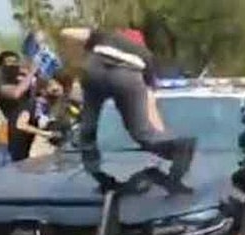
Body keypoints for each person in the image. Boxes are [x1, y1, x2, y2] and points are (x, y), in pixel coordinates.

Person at [57, 27, 194, 184]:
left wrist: (74, 48)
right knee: (142, 133)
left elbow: (66, 32)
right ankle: (179, 148)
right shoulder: (145, 55)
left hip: (94, 69)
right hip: (128, 76)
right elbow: (149, 104)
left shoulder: (105, 35)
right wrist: (161, 137)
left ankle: (94, 171)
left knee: (88, 127)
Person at [0, 51, 38, 161]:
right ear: (1, 66)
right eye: (8, 63)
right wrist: (31, 73)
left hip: (28, 131)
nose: (13, 65)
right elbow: (15, 93)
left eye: (15, 62)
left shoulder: (23, 80)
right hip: (9, 133)